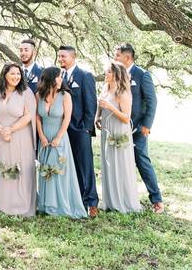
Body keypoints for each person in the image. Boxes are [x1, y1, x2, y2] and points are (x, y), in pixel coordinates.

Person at [115, 43, 163, 212]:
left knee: (142, 161)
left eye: (117, 56)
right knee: (119, 162)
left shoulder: (142, 75)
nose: (115, 59)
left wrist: (146, 126)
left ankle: (156, 199)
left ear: (127, 58)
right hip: (119, 127)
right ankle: (121, 197)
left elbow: (152, 102)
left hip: (137, 129)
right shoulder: (116, 75)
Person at [0, 62, 37, 217]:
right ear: (4, 75)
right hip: (0, 136)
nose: (16, 77)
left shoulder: (26, 92)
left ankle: (22, 206)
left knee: (21, 169)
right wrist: (1, 129)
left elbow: (29, 115)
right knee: (3, 168)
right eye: (12, 73)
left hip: (20, 136)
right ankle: (3, 205)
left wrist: (10, 129)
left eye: (18, 74)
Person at [35, 66, 87, 218]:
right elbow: (37, 117)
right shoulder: (38, 95)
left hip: (60, 137)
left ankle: (60, 205)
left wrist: (58, 137)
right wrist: (41, 136)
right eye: (58, 76)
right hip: (44, 137)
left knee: (59, 171)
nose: (61, 79)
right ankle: (45, 205)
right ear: (51, 78)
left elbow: (67, 119)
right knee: (46, 170)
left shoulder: (65, 96)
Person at [57, 45, 99, 217]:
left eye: (63, 56)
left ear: (73, 57)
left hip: (80, 129)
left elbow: (91, 104)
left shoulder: (85, 76)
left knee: (85, 166)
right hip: (63, 130)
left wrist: (86, 129)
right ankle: (74, 199)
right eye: (59, 56)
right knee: (69, 165)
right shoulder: (58, 77)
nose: (60, 59)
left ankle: (91, 202)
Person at [97, 61, 142, 213]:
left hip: (119, 131)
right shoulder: (106, 89)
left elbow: (125, 117)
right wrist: (98, 117)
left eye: (108, 72)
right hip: (107, 130)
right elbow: (101, 106)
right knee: (108, 164)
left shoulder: (123, 93)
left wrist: (110, 107)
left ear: (116, 74)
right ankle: (110, 201)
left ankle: (123, 201)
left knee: (120, 165)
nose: (106, 74)